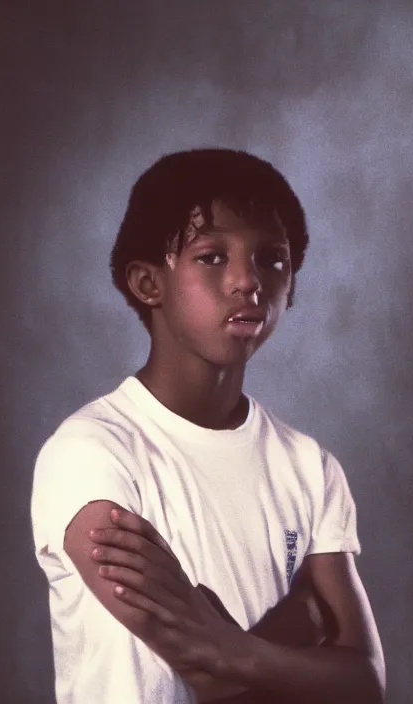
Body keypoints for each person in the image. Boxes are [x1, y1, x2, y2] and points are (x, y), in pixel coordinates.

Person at [31, 148, 386, 703]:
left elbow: (364, 683)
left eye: (272, 259)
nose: (248, 281)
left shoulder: (309, 466)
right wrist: (306, 617)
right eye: (212, 257)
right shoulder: (91, 453)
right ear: (149, 283)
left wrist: (227, 645)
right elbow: (212, 680)